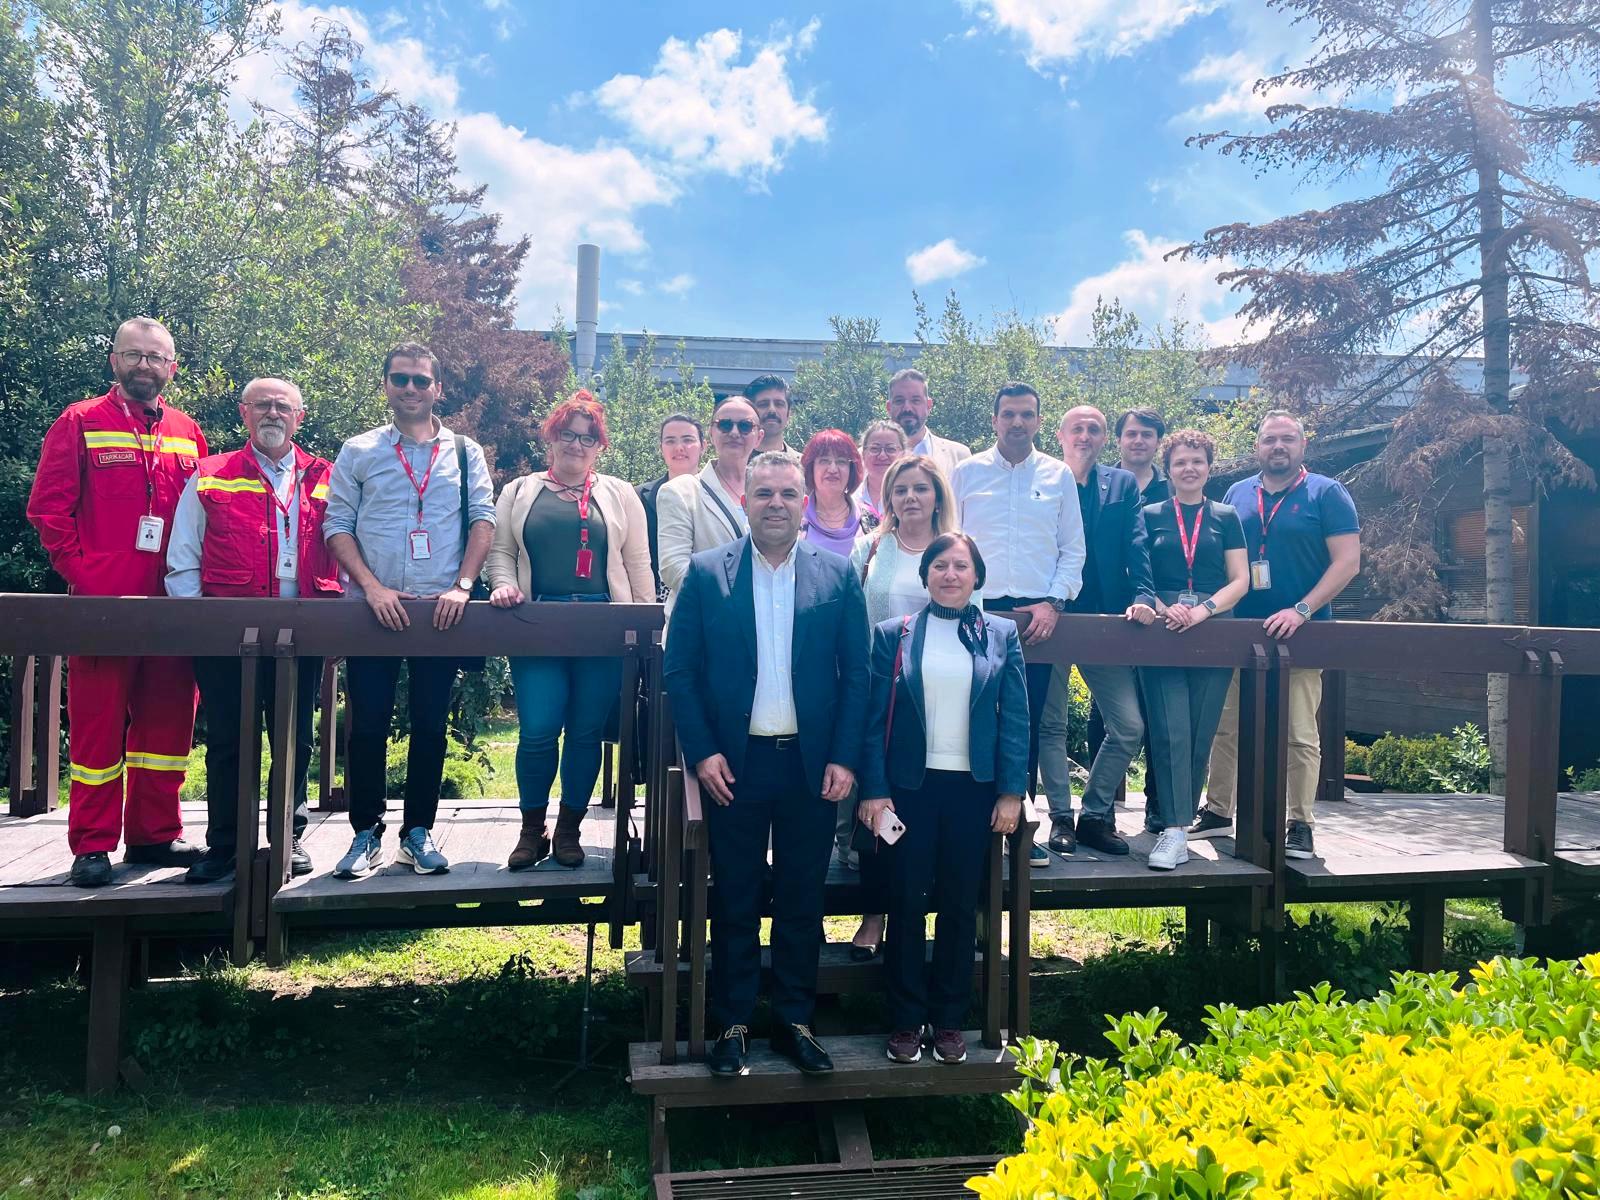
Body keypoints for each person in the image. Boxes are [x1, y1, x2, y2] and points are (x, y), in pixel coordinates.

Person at [663, 452, 870, 1077]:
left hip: (810, 766)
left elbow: (858, 674)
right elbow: (680, 671)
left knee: (803, 898)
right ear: (744, 501)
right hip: (736, 765)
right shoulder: (707, 574)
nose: (775, 504)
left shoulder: (838, 575)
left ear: (803, 502)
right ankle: (732, 1023)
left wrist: (845, 756)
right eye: (764, 494)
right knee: (735, 896)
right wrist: (702, 752)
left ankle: (794, 1021)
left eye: (786, 493)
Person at [27, 317, 207, 888]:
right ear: (114, 361)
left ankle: (154, 834)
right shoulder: (79, 421)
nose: (144, 366)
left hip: (172, 605)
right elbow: (48, 510)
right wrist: (86, 575)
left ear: (172, 367)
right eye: (134, 355)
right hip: (103, 606)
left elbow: (204, 515)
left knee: (168, 724)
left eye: (155, 357)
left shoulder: (187, 431)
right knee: (97, 728)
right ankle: (93, 844)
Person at [322, 342, 496, 880]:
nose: (411, 388)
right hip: (374, 608)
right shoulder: (359, 450)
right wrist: (371, 588)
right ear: (386, 385)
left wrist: (462, 587)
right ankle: (365, 834)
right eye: (400, 379)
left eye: (421, 380)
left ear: (438, 388)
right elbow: (336, 525)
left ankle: (418, 832)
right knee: (367, 726)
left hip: (440, 612)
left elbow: (483, 521)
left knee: (430, 725)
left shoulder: (465, 452)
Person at [859, 532, 1027, 1065]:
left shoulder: (1001, 634)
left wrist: (1011, 792)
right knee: (906, 904)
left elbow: (1016, 717)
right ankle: (906, 1020)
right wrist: (875, 789)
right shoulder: (894, 634)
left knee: (958, 906)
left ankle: (950, 1020)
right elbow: (872, 720)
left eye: (960, 566)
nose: (950, 575)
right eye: (940, 566)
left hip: (973, 791)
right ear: (925, 575)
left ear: (977, 577)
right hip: (910, 791)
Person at [166, 378, 338, 884]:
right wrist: (198, 625)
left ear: (299, 418)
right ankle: (225, 845)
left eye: (283, 407)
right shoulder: (210, 474)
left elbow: (347, 549)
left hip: (303, 631)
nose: (272, 413)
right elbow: (184, 556)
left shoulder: (327, 476)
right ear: (244, 413)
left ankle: (289, 836)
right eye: (262, 404)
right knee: (227, 740)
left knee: (295, 739)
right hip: (227, 632)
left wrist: (341, 625)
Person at [487, 390, 654, 870]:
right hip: (537, 621)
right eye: (568, 434)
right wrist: (502, 584)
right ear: (551, 438)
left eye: (588, 438)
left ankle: (568, 830)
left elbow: (637, 562)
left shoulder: (620, 494)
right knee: (538, 730)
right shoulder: (520, 491)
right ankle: (531, 829)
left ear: (600, 446)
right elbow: (501, 552)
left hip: (603, 625)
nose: (577, 444)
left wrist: (646, 621)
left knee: (585, 732)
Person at [1192, 411, 1361, 860]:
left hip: (1303, 631)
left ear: (1303, 445)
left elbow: (1347, 562)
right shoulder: (1237, 493)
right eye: (1270, 439)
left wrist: (1302, 610)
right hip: (1238, 630)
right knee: (1226, 726)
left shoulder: (1327, 493)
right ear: (1258, 446)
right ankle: (1218, 810)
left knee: (1299, 733)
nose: (1278, 446)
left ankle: (1300, 823)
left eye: (1288, 439)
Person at [952, 382, 1084, 865]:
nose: (1017, 422)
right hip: (975, 613)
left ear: (1039, 421)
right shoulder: (966, 473)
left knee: (1021, 723)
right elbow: (951, 542)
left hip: (1036, 621)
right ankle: (970, 826)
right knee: (969, 717)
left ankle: (1018, 832)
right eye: (1008, 413)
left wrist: (1053, 603)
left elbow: (1073, 549)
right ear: (994, 420)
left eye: (1027, 414)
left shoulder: (1058, 475)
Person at [843, 454, 957, 961]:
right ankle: (874, 915)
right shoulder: (869, 549)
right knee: (877, 803)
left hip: (941, 697)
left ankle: (925, 916)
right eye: (901, 489)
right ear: (887, 497)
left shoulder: (955, 548)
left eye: (921, 488)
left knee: (929, 807)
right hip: (880, 697)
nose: (911, 497)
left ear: (937, 495)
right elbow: (849, 617)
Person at [1127, 430, 1250, 871]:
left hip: (1213, 631)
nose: (1189, 468)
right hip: (1162, 630)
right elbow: (1137, 573)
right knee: (1168, 730)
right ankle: (1174, 829)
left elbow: (1240, 579)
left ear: (1209, 468)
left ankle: (1178, 828)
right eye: (1180, 462)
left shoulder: (1227, 516)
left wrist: (1202, 612)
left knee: (1200, 732)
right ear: (1169, 469)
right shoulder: (1149, 514)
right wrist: (1166, 610)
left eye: (1197, 461)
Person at [1037, 406, 1156, 857]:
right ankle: (1060, 818)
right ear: (1060, 435)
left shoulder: (1121, 484)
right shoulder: (1042, 478)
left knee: (1128, 725)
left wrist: (1144, 595)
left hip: (1104, 618)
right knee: (1051, 723)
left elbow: (1137, 543)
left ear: (1105, 438)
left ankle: (1093, 815)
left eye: (1094, 429)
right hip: (1049, 616)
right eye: (1077, 428)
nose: (1085, 435)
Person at [655, 396, 758, 613]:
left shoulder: (772, 492)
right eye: (725, 425)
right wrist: (734, 598)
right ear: (711, 433)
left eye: (745, 426)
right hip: (704, 619)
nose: (734, 432)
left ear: (759, 436)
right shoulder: (681, 491)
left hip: (760, 620)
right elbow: (674, 568)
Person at [638, 413, 704, 599]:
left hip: (704, 597)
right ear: (661, 448)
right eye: (670, 441)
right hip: (650, 599)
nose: (679, 447)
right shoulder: (638, 497)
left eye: (688, 440)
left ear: (703, 446)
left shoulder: (717, 496)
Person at [887, 368, 971, 477]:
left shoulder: (959, 456)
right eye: (899, 401)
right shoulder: (869, 460)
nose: (907, 408)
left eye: (915, 400)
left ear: (929, 405)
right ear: (889, 407)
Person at [800, 429, 864, 557]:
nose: (833, 469)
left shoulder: (870, 520)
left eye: (841, 461)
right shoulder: (795, 517)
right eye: (824, 461)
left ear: (851, 470)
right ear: (811, 468)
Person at [855, 420, 907, 532]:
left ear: (903, 455)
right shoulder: (850, 498)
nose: (882, 455)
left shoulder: (912, 499)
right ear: (863, 454)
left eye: (890, 449)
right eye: (875, 449)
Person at [1115, 408, 1171, 506]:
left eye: (1147, 435)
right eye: (1131, 434)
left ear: (1158, 442)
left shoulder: (1172, 488)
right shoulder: (1100, 485)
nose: (1138, 441)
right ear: (1118, 440)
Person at [746, 374, 794, 454]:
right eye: (763, 404)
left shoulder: (803, 462)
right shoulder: (730, 461)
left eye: (779, 404)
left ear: (789, 414)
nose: (772, 410)